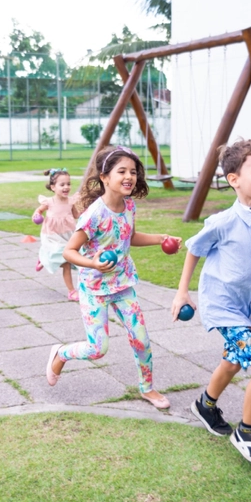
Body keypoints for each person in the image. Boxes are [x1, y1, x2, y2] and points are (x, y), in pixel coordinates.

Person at [171, 139, 251, 466]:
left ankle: (205, 405)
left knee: (232, 361)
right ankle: (246, 431)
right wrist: (182, 291)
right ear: (234, 180)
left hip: (249, 309)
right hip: (224, 307)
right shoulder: (222, 222)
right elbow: (194, 249)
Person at [46, 145, 182, 409]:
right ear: (105, 177)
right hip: (94, 288)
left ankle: (148, 388)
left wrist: (160, 239)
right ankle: (61, 353)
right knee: (97, 349)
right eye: (122, 171)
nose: (129, 176)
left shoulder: (129, 205)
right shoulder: (94, 215)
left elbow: (128, 237)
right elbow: (69, 251)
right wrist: (94, 263)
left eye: (133, 171)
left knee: (141, 339)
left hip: (122, 284)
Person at [32, 168, 80, 302]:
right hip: (52, 235)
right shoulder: (49, 202)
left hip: (68, 235)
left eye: (68, 184)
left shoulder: (71, 201)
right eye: (62, 184)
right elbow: (38, 211)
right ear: (53, 187)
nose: (66, 187)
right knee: (65, 262)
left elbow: (76, 215)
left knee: (70, 258)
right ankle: (71, 291)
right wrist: (36, 216)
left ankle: (43, 258)